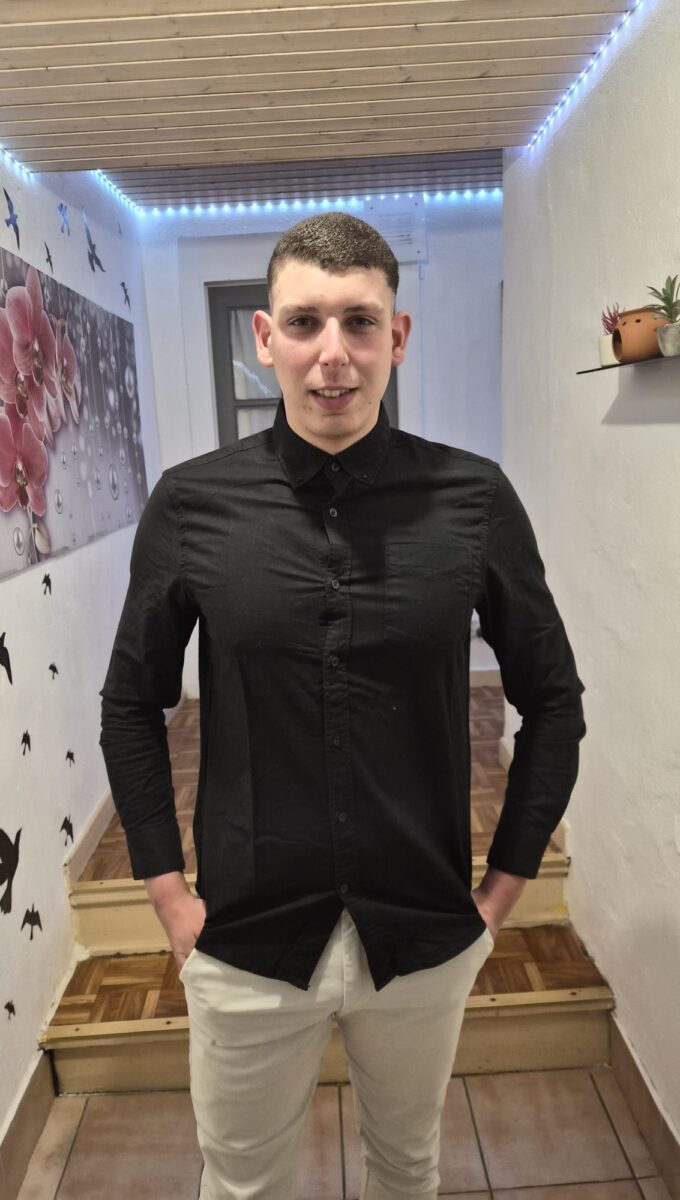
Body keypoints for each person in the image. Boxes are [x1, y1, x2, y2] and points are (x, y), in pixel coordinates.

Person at [100, 211, 586, 1200]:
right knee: (242, 1183)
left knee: (407, 1170)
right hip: (244, 936)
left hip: (422, 930)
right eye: (304, 322)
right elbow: (129, 704)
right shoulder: (190, 505)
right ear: (264, 338)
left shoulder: (473, 500)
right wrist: (166, 891)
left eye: (359, 322)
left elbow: (553, 701)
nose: (333, 354)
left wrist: (501, 893)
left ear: (395, 337)